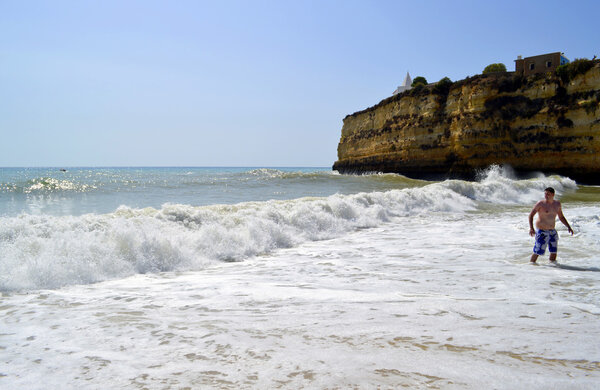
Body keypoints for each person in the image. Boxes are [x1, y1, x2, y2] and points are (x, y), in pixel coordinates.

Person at [528, 187, 574, 264]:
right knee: (537, 251)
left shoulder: (557, 204)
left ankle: (552, 268)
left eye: (548, 194)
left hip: (552, 231)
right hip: (542, 231)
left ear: (553, 194)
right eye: (545, 194)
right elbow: (531, 215)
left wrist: (568, 226)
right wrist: (531, 228)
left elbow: (561, 217)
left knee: (554, 251)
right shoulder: (540, 204)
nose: (546, 195)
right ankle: (531, 266)